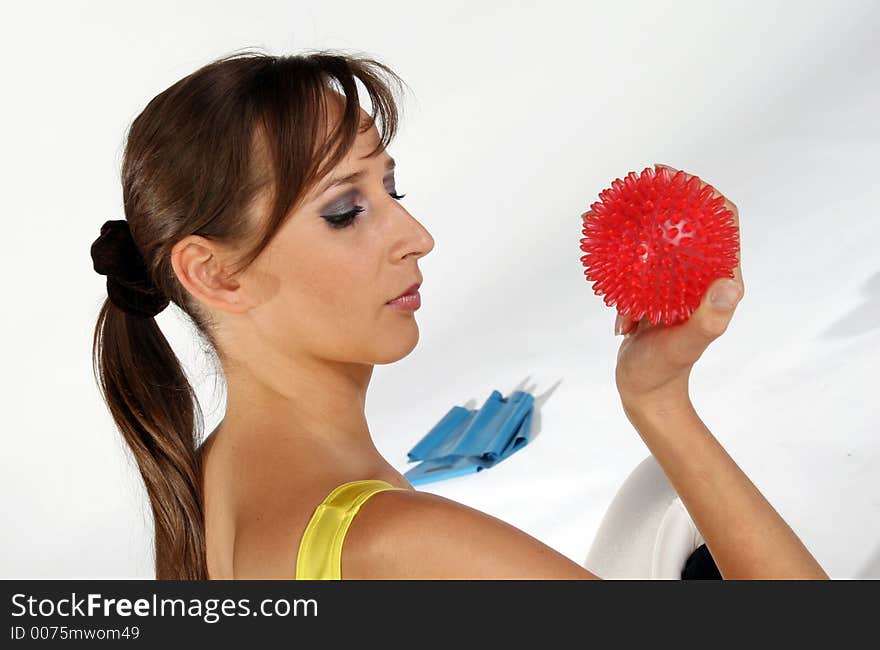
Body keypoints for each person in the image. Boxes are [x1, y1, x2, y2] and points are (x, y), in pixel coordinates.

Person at [90, 48, 829, 580]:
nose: (417, 238)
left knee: (657, 500)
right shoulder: (402, 543)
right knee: (684, 510)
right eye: (346, 212)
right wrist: (659, 400)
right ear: (214, 274)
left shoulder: (214, 474)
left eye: (391, 190)